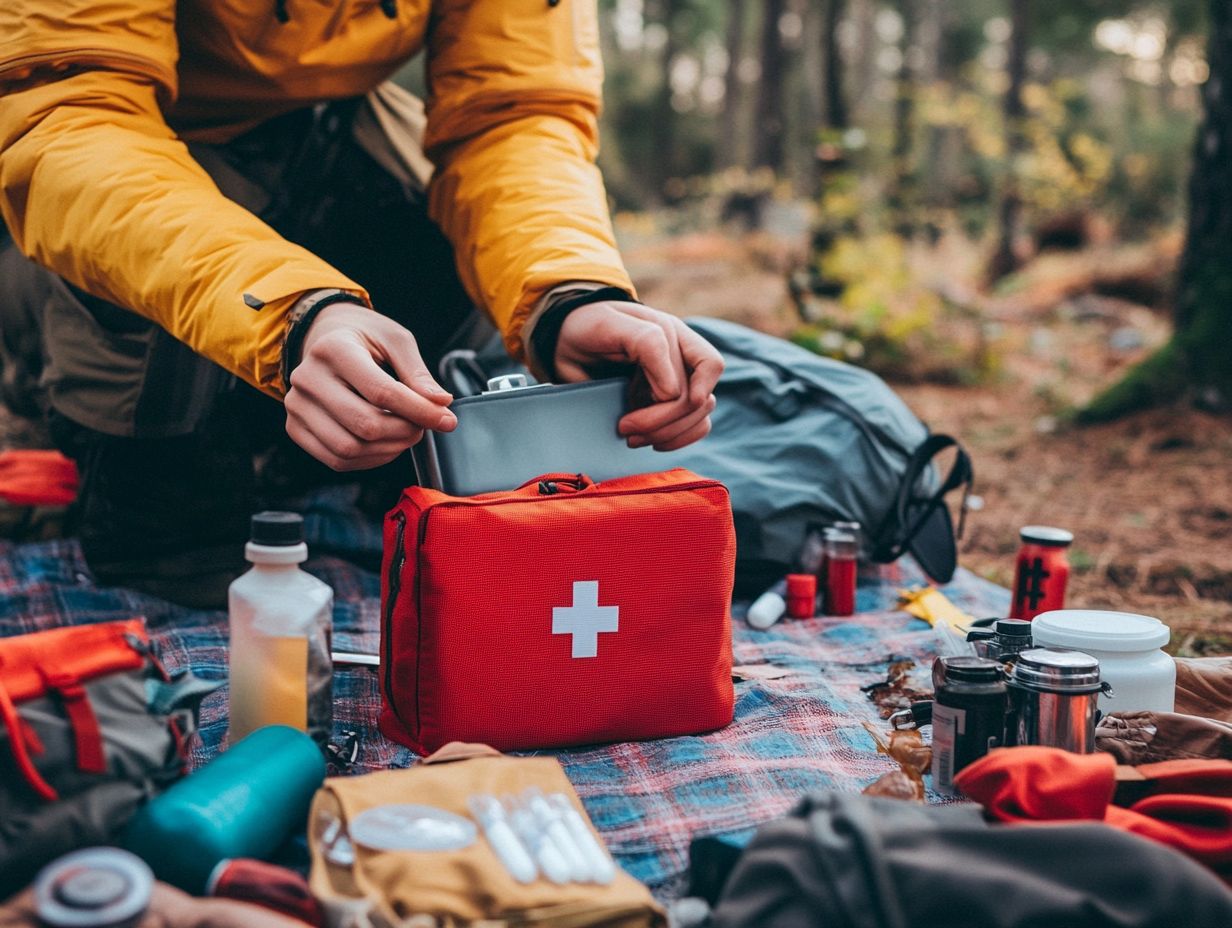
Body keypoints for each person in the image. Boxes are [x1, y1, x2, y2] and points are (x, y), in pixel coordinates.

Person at [0, 1, 723, 606]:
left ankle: (347, 462)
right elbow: (68, 116)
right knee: (169, 555)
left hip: (329, 127)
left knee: (433, 221)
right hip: (105, 163)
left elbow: (511, 113)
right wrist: (297, 315)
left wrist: (568, 294)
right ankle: (106, 435)